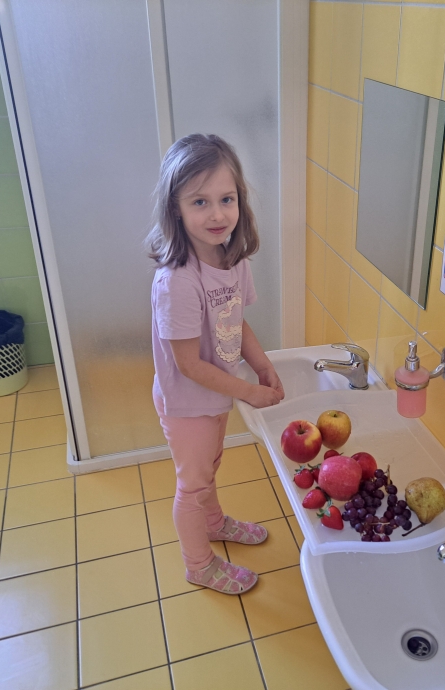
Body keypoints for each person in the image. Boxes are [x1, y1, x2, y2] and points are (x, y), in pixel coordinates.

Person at [147, 134, 285, 594]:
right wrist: (249, 391)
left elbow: (235, 320)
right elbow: (188, 364)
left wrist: (262, 365)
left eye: (226, 199)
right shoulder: (178, 281)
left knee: (210, 466)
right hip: (188, 401)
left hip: (214, 393)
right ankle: (199, 565)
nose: (217, 214)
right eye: (200, 202)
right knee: (193, 483)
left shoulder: (231, 260)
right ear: (176, 208)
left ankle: (213, 522)